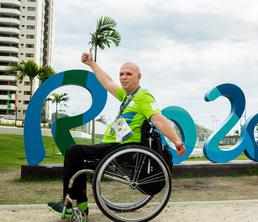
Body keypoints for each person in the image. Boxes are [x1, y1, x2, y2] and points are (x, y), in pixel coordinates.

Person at [48, 51, 186, 219]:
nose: (124, 77)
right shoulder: (127, 97)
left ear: (139, 76)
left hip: (123, 149)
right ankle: (76, 203)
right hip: (113, 146)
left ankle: (75, 205)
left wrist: (177, 141)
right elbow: (108, 82)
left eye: (129, 74)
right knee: (76, 157)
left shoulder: (143, 96)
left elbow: (158, 119)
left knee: (74, 151)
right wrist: (91, 63)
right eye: (121, 74)